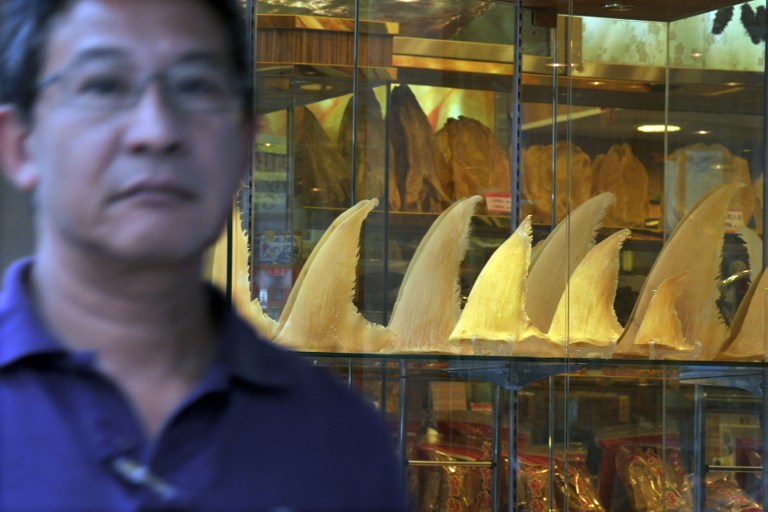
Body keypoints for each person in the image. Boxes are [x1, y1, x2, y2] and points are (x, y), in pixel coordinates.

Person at [0, 1, 408, 510]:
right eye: (103, 86)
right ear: (20, 144)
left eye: (195, 87)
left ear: (244, 147)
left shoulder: (343, 442)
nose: (156, 131)